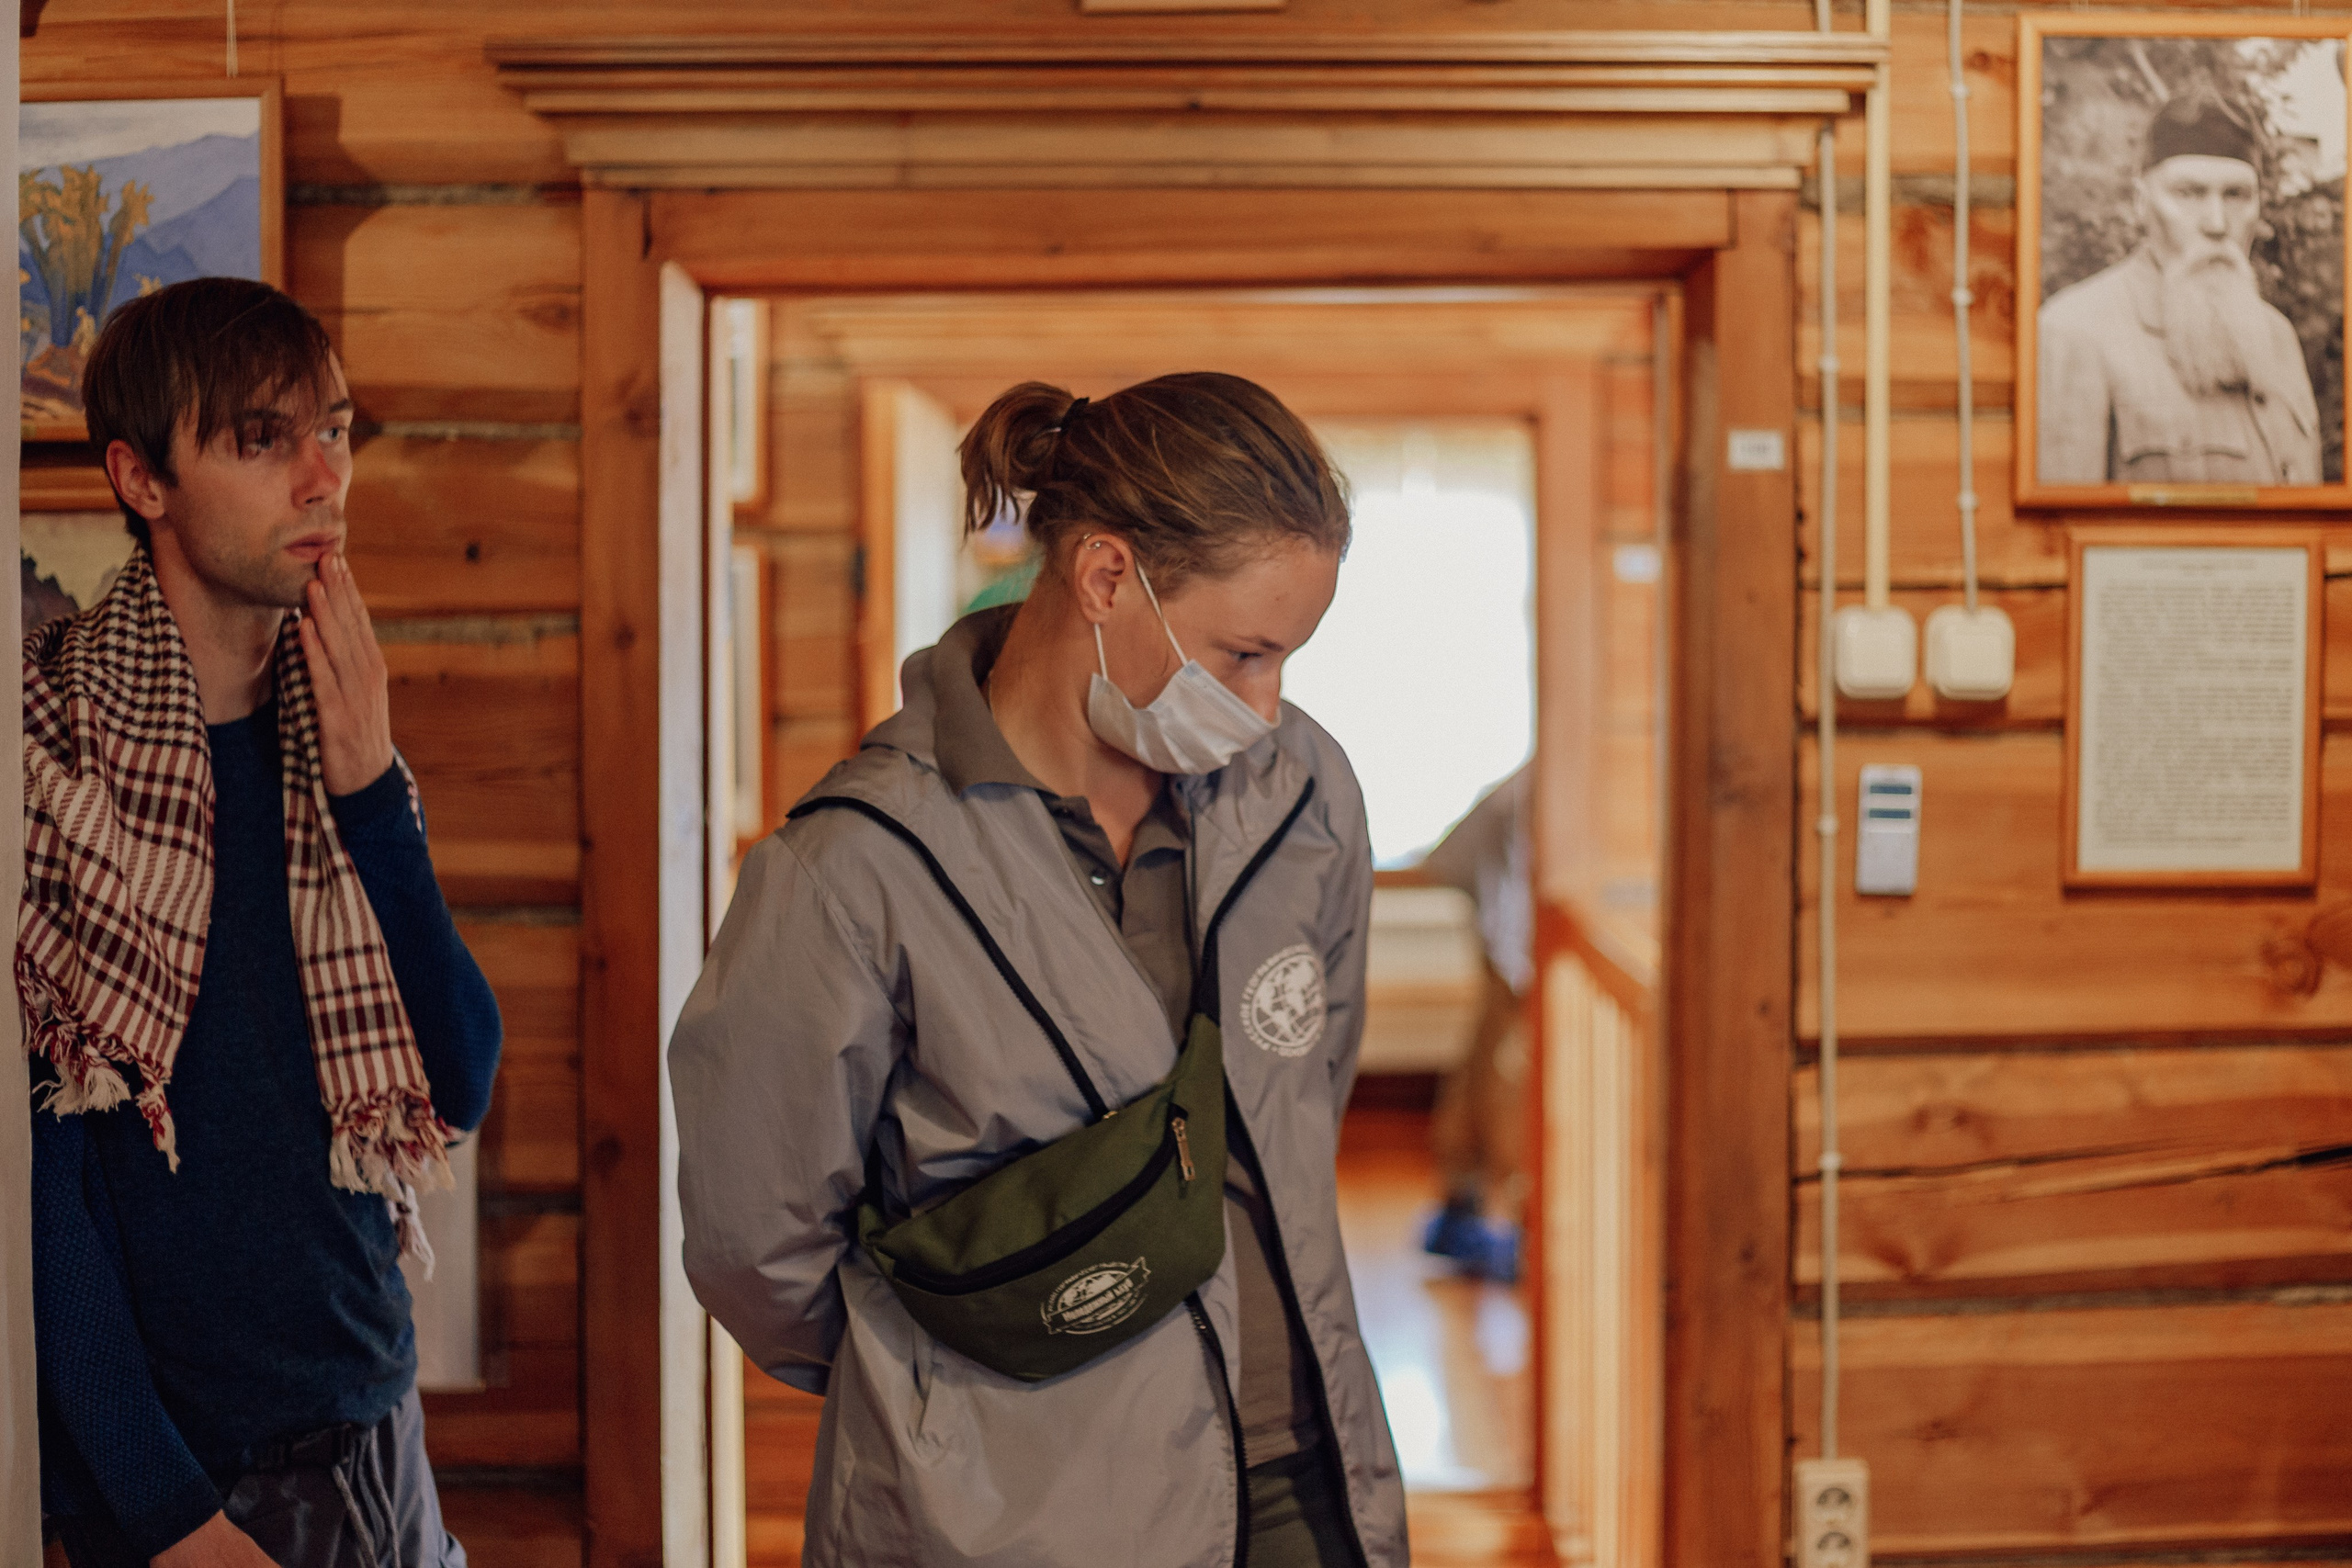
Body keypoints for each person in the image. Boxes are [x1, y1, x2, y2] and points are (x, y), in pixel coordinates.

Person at [672, 375, 1408, 1567]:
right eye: (1245, 652)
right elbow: (759, 1244)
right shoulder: (855, 868)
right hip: (1018, 1516)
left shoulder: (1305, 796)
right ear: (1107, 576)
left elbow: (1307, 1081)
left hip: (1303, 1472)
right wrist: (950, 1398)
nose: (1270, 709)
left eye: (1288, 659)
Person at [24, 278, 502, 1568]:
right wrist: (168, 1510)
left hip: (372, 1427)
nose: (321, 475)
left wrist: (371, 797)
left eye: (335, 429)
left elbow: (454, 1080)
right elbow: (40, 1182)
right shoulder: (49, 757)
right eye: (262, 439)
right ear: (141, 478)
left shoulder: (330, 722)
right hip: (187, 1484)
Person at [2038, 89, 2323, 486]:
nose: (2217, 223)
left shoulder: (2278, 337)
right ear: (2141, 203)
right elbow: (2056, 535)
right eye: (2189, 193)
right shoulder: (2075, 332)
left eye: (2237, 195)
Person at [1417, 765, 1531, 1283]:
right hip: (1513, 946)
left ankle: (1471, 1202)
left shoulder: (1521, 788)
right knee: (1502, 1069)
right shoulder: (1532, 792)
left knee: (1488, 1063)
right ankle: (1492, 1214)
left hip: (1505, 940)